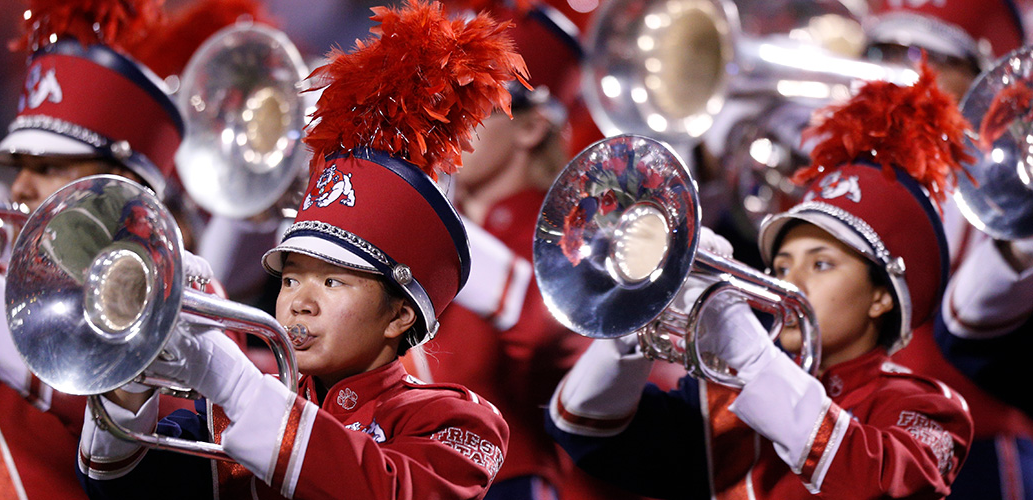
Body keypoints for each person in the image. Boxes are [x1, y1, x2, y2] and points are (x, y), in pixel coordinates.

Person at [76, 1, 526, 498]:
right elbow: (125, 488)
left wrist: (233, 383)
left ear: (400, 315)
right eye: (290, 278)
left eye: (332, 281)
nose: (298, 301)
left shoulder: (455, 422)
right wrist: (131, 380)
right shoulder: (246, 402)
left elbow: (390, 489)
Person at [544, 60, 975, 498]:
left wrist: (746, 348)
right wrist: (637, 319)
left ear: (881, 297)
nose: (792, 282)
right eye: (783, 266)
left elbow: (877, 485)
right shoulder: (724, 402)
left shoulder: (928, 408)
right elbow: (582, 430)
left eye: (821, 264)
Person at [0, 1, 249, 498]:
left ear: (121, 181)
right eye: (17, 164)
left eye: (47, 167)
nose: (18, 185)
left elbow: (152, 455)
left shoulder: (187, 293)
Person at [397, 5, 599, 499]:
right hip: (402, 471)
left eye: (472, 104)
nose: (447, 121)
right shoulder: (448, 214)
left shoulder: (571, 231)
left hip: (506, 483)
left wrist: (409, 212)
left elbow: (554, 341)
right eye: (443, 102)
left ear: (529, 129)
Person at [862, 3, 1033, 498]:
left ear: (979, 80)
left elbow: (973, 316)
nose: (891, 74)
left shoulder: (1003, 185)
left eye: (917, 54)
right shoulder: (848, 166)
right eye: (881, 51)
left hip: (977, 450)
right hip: (858, 442)